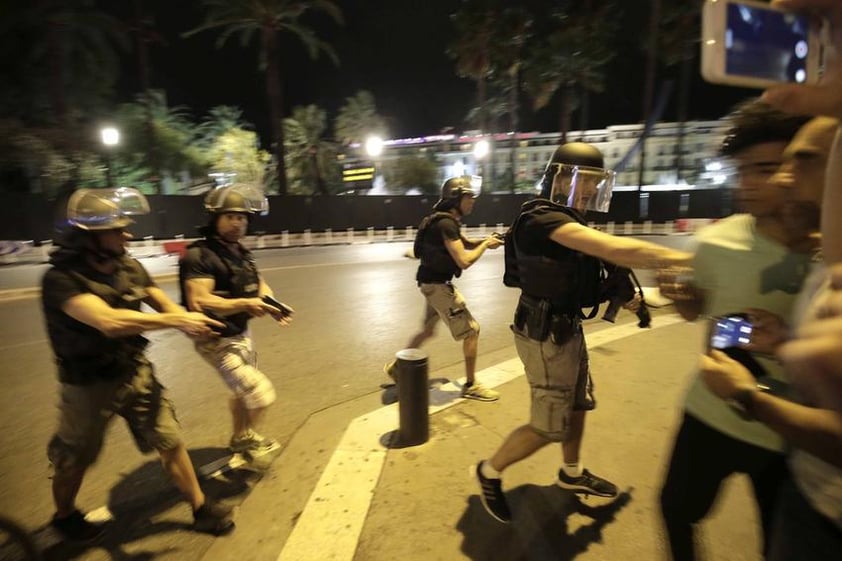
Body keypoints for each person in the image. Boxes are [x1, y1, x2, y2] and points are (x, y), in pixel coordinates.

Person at [474, 142, 692, 523]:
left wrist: (631, 299)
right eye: (583, 180)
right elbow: (609, 248)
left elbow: (593, 270)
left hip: (566, 329)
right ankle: (489, 472)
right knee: (547, 426)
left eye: (595, 182)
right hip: (544, 335)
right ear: (558, 178)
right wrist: (677, 258)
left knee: (578, 406)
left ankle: (571, 475)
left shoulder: (569, 218)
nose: (590, 190)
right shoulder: (542, 219)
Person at [698, 1, 842, 558]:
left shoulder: (820, 256)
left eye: (798, 162)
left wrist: (748, 394)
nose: (781, 178)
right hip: (793, 478)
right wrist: (783, 342)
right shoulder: (723, 238)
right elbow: (701, 319)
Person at [656, 102, 822, 561]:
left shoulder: (829, 252)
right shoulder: (716, 241)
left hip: (791, 433)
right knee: (675, 510)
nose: (747, 182)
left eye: (764, 169)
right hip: (710, 412)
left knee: (780, 539)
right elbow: (708, 316)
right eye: (742, 170)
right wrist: (686, 301)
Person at [41, 188, 236, 541]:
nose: (126, 235)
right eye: (116, 230)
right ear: (88, 237)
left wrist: (195, 323)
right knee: (75, 457)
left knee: (168, 438)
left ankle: (200, 506)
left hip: (134, 370)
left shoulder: (130, 267)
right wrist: (176, 323)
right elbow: (109, 321)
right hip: (88, 384)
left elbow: (165, 305)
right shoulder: (60, 279)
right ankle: (65, 515)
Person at [179, 184, 292, 462]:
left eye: (242, 218)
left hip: (240, 333)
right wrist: (245, 304)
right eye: (230, 216)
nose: (237, 223)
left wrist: (272, 304)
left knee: (241, 392)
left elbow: (258, 284)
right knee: (260, 393)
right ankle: (244, 438)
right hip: (215, 339)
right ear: (215, 218)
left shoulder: (239, 252)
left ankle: (238, 438)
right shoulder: (200, 255)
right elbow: (200, 301)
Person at [384, 176, 503, 401]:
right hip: (438, 288)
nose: (473, 201)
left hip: (430, 284)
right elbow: (464, 260)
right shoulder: (446, 223)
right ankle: (471, 385)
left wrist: (487, 239)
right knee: (472, 331)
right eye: (469, 197)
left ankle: (398, 368)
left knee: (428, 330)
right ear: (455, 198)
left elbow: (465, 243)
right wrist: (486, 245)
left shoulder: (444, 221)